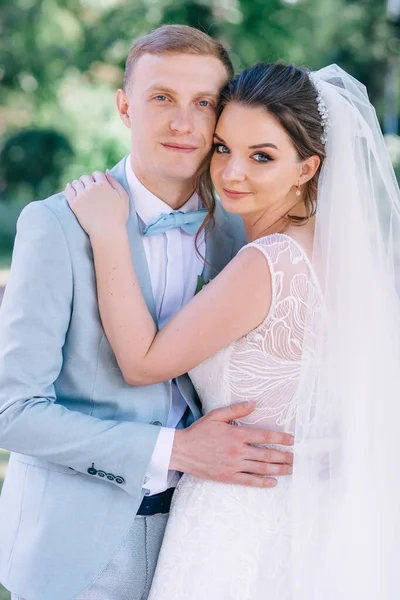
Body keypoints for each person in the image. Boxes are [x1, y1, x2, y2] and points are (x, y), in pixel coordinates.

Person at [66, 61, 400, 599]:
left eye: (261, 156)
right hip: (314, 517)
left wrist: (109, 232)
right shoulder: (348, 260)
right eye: (222, 147)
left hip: (238, 519)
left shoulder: (267, 263)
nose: (231, 172)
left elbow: (143, 363)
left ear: (307, 168)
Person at [0, 26, 294, 600]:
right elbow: (12, 411)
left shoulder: (242, 236)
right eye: (162, 97)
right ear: (125, 104)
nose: (183, 123)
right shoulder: (55, 224)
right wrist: (177, 451)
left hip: (207, 536)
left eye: (203, 103)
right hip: (78, 545)